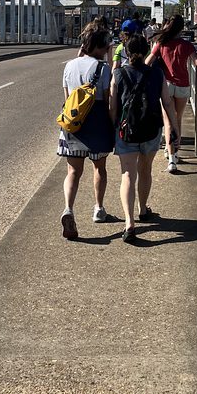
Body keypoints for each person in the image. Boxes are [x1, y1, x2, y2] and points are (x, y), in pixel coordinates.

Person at [110, 33, 178, 242]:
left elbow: (113, 107)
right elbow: (167, 103)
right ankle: (142, 209)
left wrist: (113, 128)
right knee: (145, 170)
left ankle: (129, 223)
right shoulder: (157, 73)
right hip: (151, 129)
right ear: (148, 50)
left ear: (126, 52)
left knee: (128, 175)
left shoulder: (118, 74)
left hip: (126, 131)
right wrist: (175, 129)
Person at [58, 28, 113, 239]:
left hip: (73, 123)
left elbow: (67, 98)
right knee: (99, 168)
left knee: (73, 171)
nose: (107, 49)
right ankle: (98, 208)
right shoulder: (103, 68)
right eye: (105, 45)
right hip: (97, 123)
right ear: (99, 46)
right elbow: (107, 101)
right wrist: (112, 124)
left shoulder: (70, 65)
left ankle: (68, 208)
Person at [146, 14, 197, 173]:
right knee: (178, 119)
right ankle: (175, 154)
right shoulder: (186, 45)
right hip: (183, 85)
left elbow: (148, 62)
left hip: (166, 86)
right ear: (182, 28)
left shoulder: (161, 43)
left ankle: (171, 160)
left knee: (168, 121)